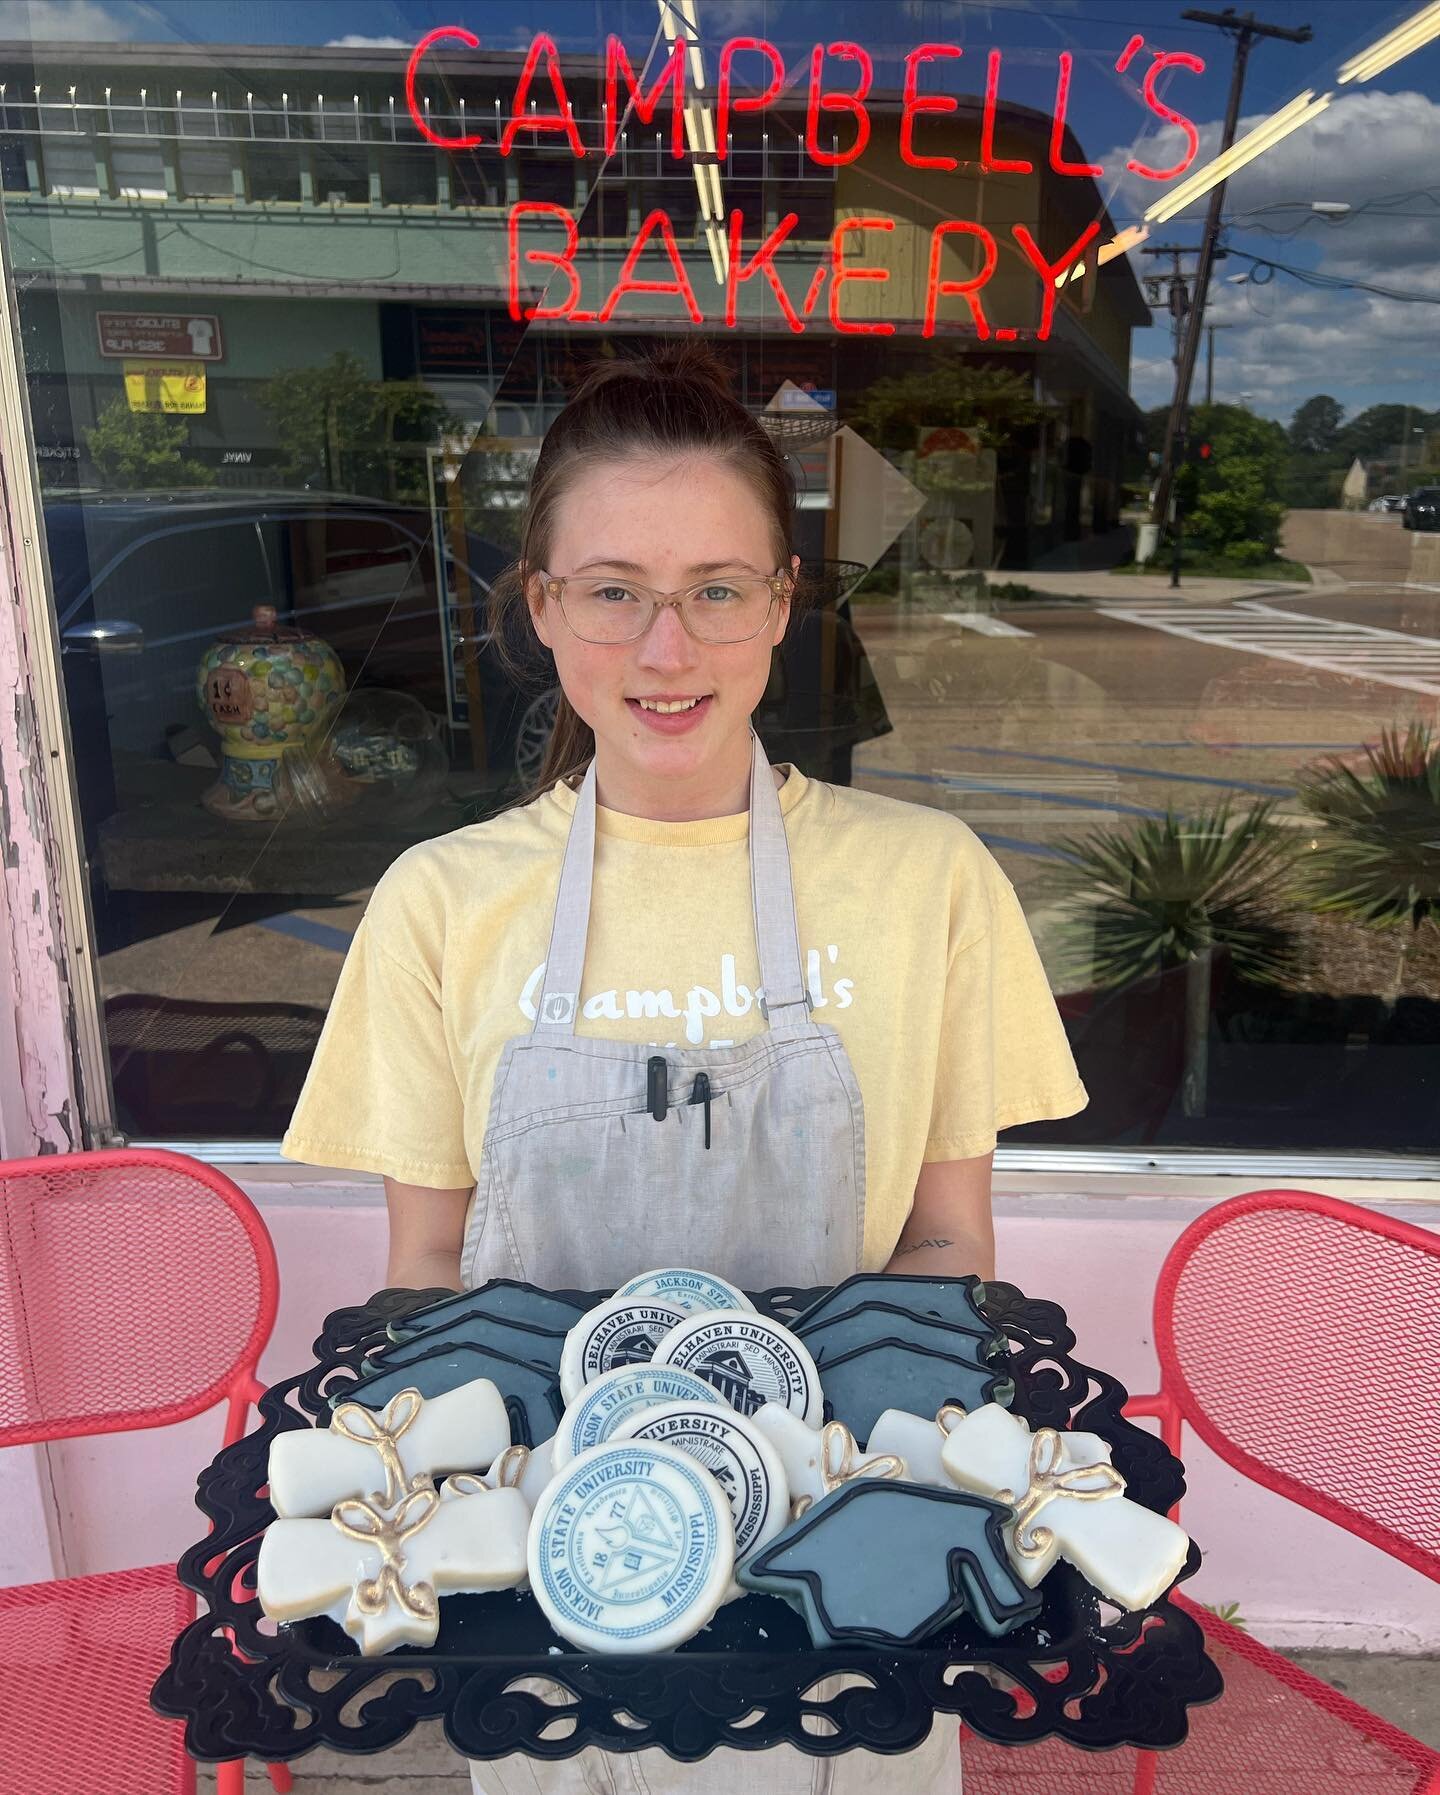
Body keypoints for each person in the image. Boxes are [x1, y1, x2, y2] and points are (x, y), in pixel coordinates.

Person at [282, 339, 1088, 1795]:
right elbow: (426, 1280)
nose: (668, 651)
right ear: (541, 607)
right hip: (551, 1580)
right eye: (613, 592)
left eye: (718, 589)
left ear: (783, 603)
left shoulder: (930, 881)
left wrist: (830, 1504)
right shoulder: (440, 901)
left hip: (851, 1569)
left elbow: (950, 1243)